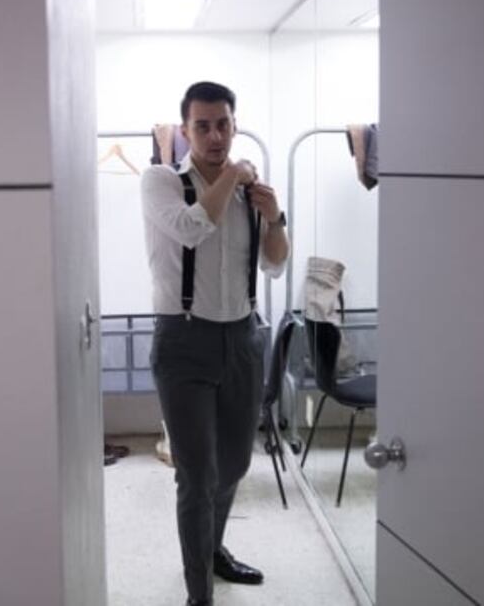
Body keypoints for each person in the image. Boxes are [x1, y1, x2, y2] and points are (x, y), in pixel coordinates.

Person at [142, 81, 289, 606]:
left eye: (223, 124)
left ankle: (213, 549)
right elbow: (191, 229)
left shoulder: (248, 193)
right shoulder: (161, 180)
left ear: (234, 125)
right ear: (185, 131)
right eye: (202, 126)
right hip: (184, 340)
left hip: (243, 338)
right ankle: (198, 595)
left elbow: (275, 264)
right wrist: (234, 174)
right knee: (197, 475)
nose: (215, 136)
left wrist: (275, 217)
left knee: (234, 464)